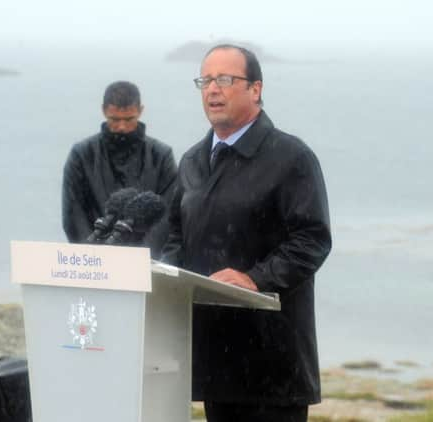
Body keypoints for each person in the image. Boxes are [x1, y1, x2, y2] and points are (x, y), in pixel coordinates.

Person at [162, 45, 332, 422]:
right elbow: (176, 236)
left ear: (255, 89)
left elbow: (312, 239)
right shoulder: (192, 161)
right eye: (205, 81)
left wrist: (254, 279)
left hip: (274, 366)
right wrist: (162, 279)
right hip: (215, 363)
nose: (212, 90)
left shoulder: (291, 157)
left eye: (225, 79)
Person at [62, 81, 177, 258]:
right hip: (93, 262)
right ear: (103, 111)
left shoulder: (161, 156)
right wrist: (90, 256)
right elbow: (73, 214)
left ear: (140, 111)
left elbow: (167, 216)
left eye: (129, 119)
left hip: (144, 262)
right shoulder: (82, 155)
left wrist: (141, 258)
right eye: (114, 119)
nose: (122, 127)